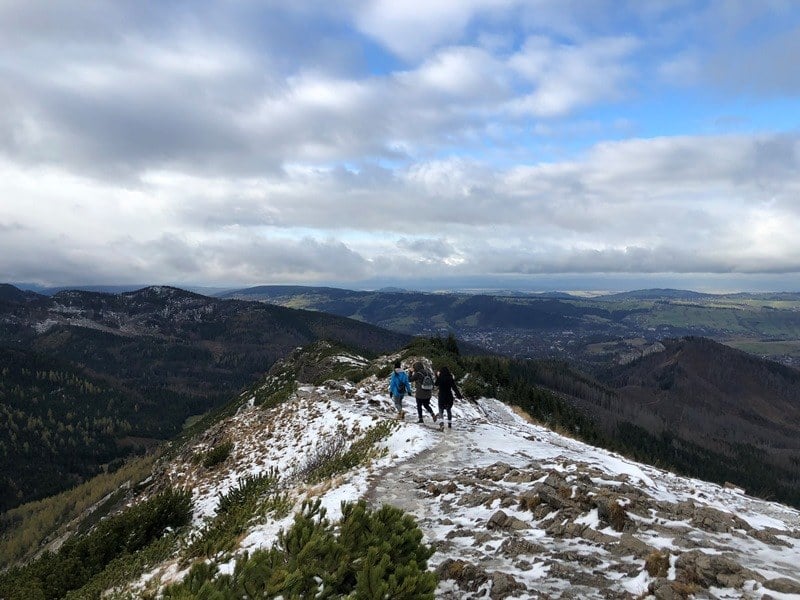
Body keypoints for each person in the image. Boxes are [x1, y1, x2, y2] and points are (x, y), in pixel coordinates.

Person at [434, 365, 462, 430]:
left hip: (441, 396)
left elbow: (436, 384)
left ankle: (441, 425)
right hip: (449, 396)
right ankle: (449, 424)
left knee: (441, 411)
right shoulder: (450, 378)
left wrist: (437, 376)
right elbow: (454, 388)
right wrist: (459, 395)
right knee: (448, 410)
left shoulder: (440, 378)